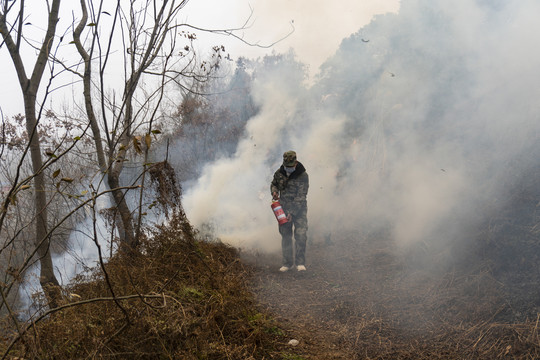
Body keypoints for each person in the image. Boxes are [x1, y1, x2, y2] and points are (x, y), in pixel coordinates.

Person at [270, 150, 309, 272]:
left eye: (291, 166)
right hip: (283, 208)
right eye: (287, 166)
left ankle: (300, 263)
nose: (289, 168)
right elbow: (273, 184)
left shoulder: (303, 175)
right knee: (286, 236)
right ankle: (287, 263)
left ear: (296, 163)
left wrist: (292, 212)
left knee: (301, 235)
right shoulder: (280, 172)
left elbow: (301, 196)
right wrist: (274, 192)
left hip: (299, 210)